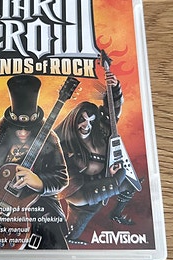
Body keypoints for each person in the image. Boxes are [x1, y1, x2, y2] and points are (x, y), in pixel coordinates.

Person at [0, 74, 69, 250]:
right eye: (17, 129)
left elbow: (61, 177)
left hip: (38, 208)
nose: (22, 133)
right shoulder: (1, 141)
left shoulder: (50, 140)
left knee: (56, 257)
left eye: (28, 129)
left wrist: (40, 182)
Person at [55, 71, 138, 243]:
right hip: (83, 198)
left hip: (103, 184)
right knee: (71, 235)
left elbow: (112, 113)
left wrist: (114, 89)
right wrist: (114, 182)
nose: (86, 125)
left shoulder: (101, 133)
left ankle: (115, 213)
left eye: (91, 121)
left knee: (131, 183)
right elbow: (75, 195)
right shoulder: (63, 147)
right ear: (74, 120)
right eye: (83, 120)